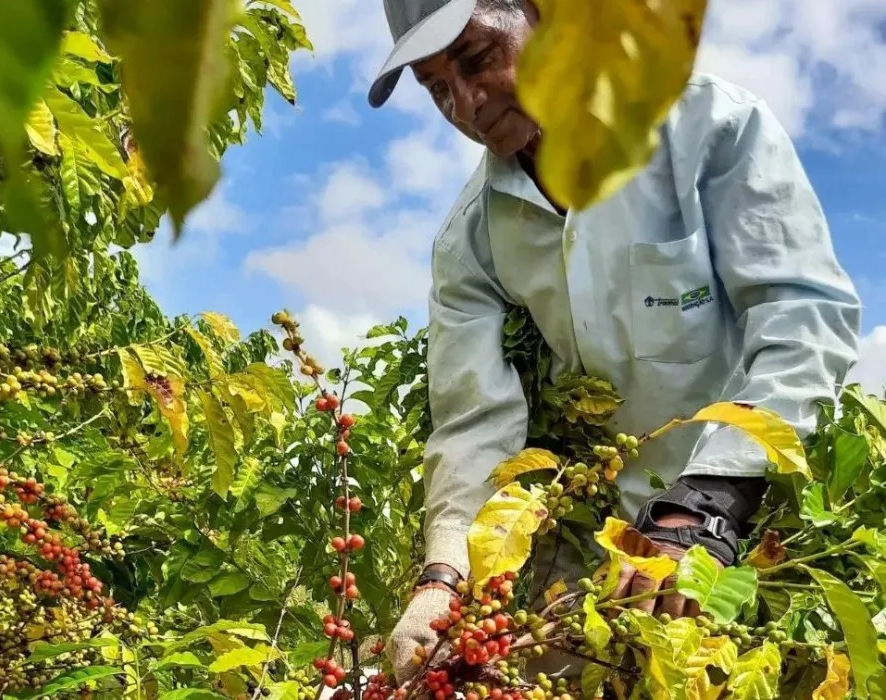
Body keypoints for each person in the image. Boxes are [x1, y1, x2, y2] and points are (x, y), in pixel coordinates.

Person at [366, 0, 863, 685]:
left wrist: (706, 506)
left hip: (746, 517)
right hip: (604, 545)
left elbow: (802, 317)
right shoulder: (472, 237)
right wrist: (444, 577)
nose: (467, 103)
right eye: (437, 88)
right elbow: (473, 418)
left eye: (478, 59)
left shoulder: (710, 129)